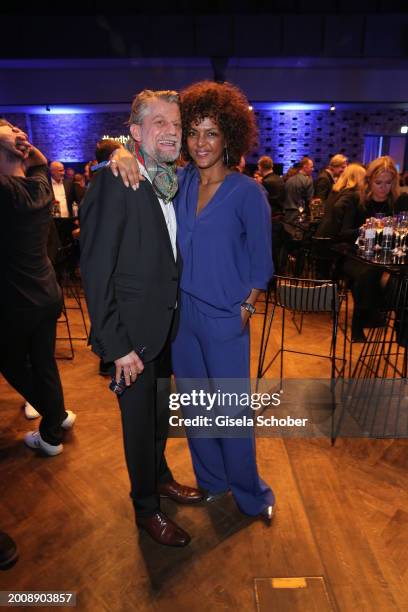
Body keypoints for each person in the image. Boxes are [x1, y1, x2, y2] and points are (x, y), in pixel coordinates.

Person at [110, 81, 275, 523]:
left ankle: (250, 493)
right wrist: (121, 152)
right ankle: (213, 482)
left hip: (226, 317)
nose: (200, 143)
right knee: (198, 407)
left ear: (229, 139)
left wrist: (247, 308)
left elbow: (262, 262)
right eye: (194, 132)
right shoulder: (177, 181)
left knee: (232, 411)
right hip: (182, 318)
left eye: (212, 133)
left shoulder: (247, 192)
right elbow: (137, 158)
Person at [80, 90, 203, 548]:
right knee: (138, 428)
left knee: (157, 418)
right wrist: (117, 346)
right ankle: (146, 509)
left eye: (176, 123)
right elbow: (95, 269)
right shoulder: (116, 181)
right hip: (131, 339)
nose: (171, 131)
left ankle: (161, 476)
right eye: (159, 123)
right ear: (135, 133)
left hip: (164, 328)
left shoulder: (170, 180)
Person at [0, 123, 76, 455]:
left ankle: (55, 417)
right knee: (43, 362)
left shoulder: (6, 189)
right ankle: (52, 431)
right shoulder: (39, 186)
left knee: (11, 362)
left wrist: (10, 138)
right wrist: (21, 142)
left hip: (17, 302)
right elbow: (42, 163)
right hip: (46, 293)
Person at [315, 163, 366, 243]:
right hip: (334, 242)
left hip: (323, 235)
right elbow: (338, 207)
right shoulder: (352, 194)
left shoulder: (336, 191)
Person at [283, 156, 314, 223]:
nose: (313, 169)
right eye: (311, 167)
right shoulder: (308, 180)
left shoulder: (289, 180)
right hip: (299, 214)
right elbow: (309, 200)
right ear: (305, 167)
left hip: (287, 213)